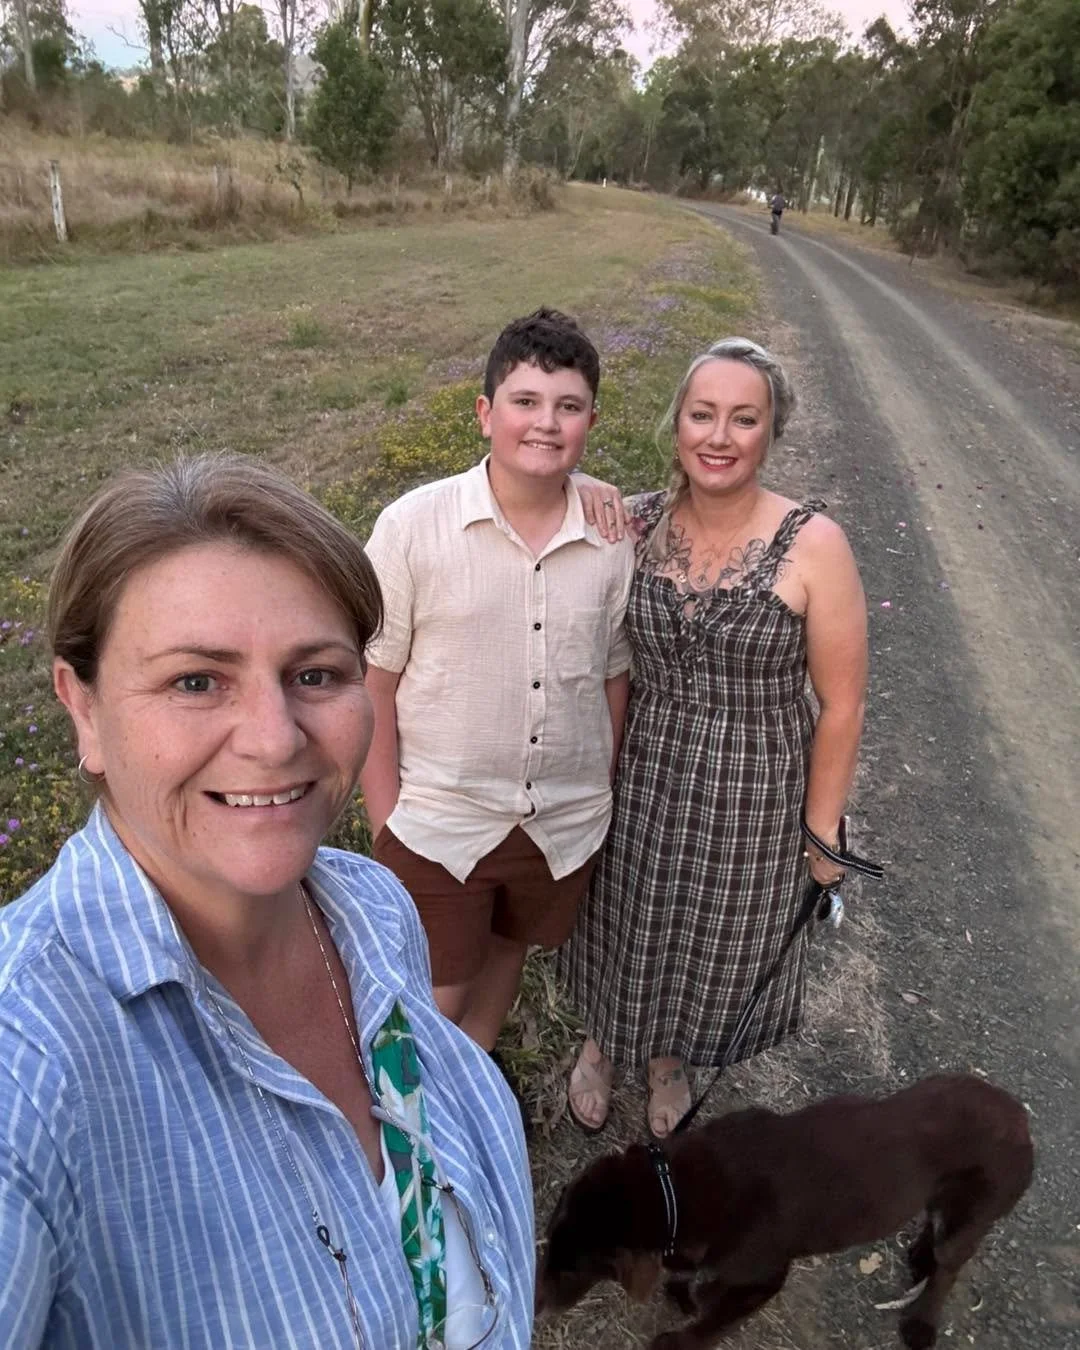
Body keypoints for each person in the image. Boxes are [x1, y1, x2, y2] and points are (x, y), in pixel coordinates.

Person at [0, 455, 534, 1349]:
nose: (274, 739)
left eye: (316, 674)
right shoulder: (30, 1062)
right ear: (83, 709)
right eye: (196, 681)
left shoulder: (369, 910)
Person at [562, 337, 868, 1138]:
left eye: (743, 419)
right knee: (617, 911)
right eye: (703, 415)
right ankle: (600, 1044)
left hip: (752, 779)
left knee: (708, 931)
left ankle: (670, 1059)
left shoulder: (814, 546)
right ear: (677, 425)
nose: (719, 436)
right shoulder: (634, 521)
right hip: (641, 760)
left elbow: (841, 703)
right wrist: (587, 486)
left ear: (770, 432)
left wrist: (823, 829)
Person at [360, 308, 634, 1057]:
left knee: (505, 956)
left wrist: (595, 782)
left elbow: (612, 675)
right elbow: (374, 684)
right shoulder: (413, 527)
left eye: (568, 407)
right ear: (485, 414)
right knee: (428, 1000)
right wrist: (387, 825)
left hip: (560, 824)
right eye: (525, 402)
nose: (546, 424)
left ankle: (472, 1098)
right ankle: (395, 1145)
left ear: (591, 422)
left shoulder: (612, 538)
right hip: (439, 821)